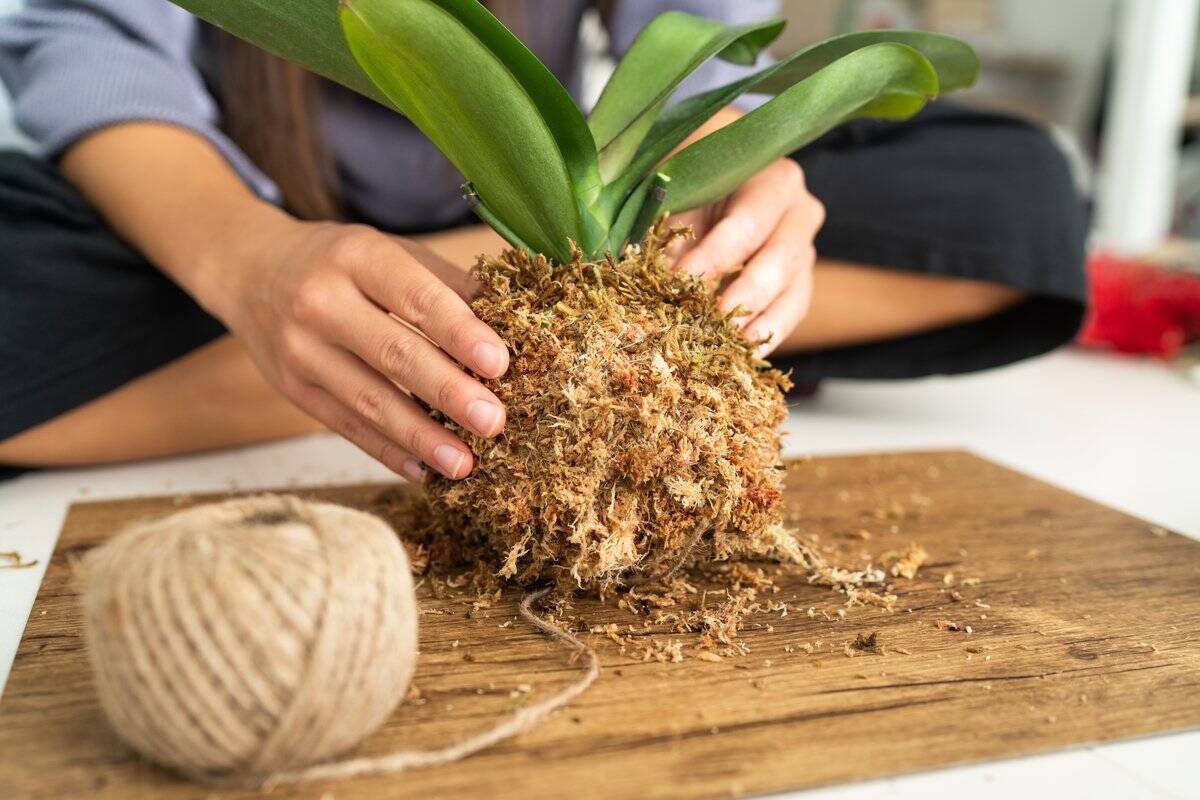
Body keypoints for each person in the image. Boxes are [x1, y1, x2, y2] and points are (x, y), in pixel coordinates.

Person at [0, 0, 1086, 482]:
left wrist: (735, 182)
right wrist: (250, 262)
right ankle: (555, 341)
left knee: (1017, 186)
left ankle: (513, 325)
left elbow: (707, 55)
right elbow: (92, 47)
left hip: (550, 220)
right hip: (235, 226)